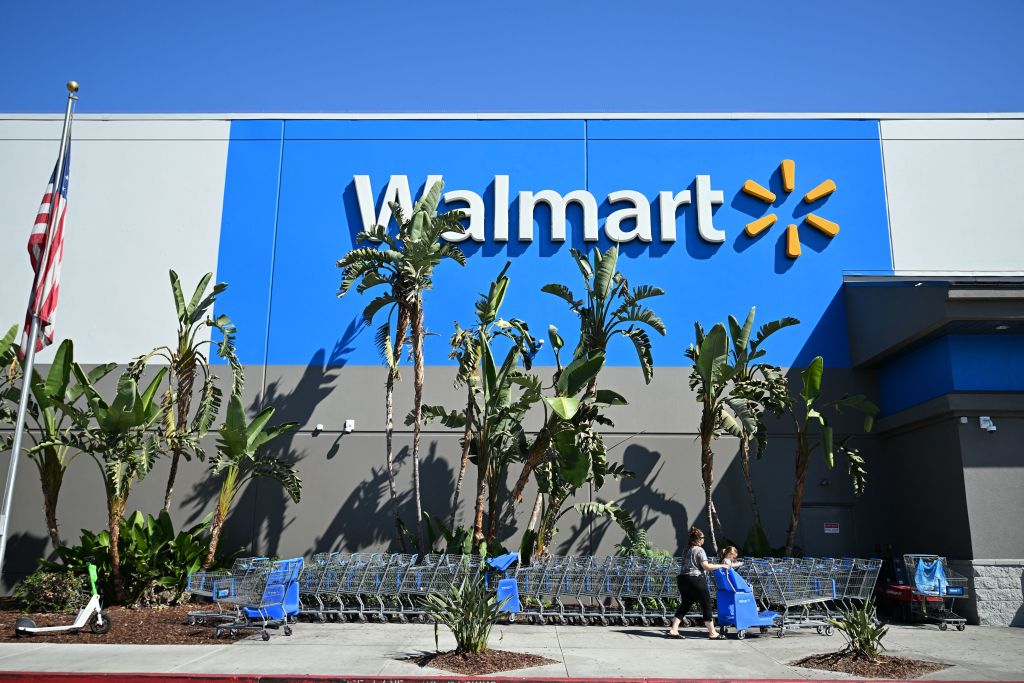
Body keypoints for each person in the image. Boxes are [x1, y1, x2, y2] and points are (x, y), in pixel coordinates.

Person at [666, 527, 729, 639]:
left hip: (683, 579)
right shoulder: (700, 550)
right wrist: (722, 565)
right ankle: (712, 633)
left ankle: (673, 630)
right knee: (707, 604)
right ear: (698, 539)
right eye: (703, 537)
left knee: (685, 604)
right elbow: (706, 566)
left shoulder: (686, 549)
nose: (704, 539)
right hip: (695, 579)